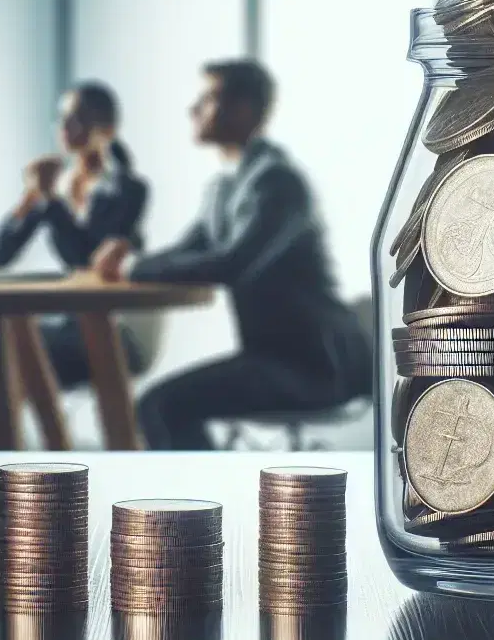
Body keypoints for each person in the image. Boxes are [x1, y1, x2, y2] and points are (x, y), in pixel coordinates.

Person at [92, 59, 371, 450]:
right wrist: (132, 260)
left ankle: (199, 504)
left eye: (206, 99)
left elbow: (231, 263)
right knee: (159, 405)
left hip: (313, 365)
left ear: (243, 110)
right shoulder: (223, 188)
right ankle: (201, 499)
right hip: (275, 356)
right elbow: (185, 252)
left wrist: (134, 267)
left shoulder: (277, 182)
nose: (193, 110)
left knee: (159, 406)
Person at [0, 80, 151, 387]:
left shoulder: (129, 190)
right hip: (70, 323)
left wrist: (50, 199)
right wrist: (28, 199)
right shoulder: (58, 184)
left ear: (107, 129)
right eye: (61, 118)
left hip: (112, 326)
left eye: (76, 118)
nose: (64, 126)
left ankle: (22, 433)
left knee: (12, 351)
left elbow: (88, 262)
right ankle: (14, 435)